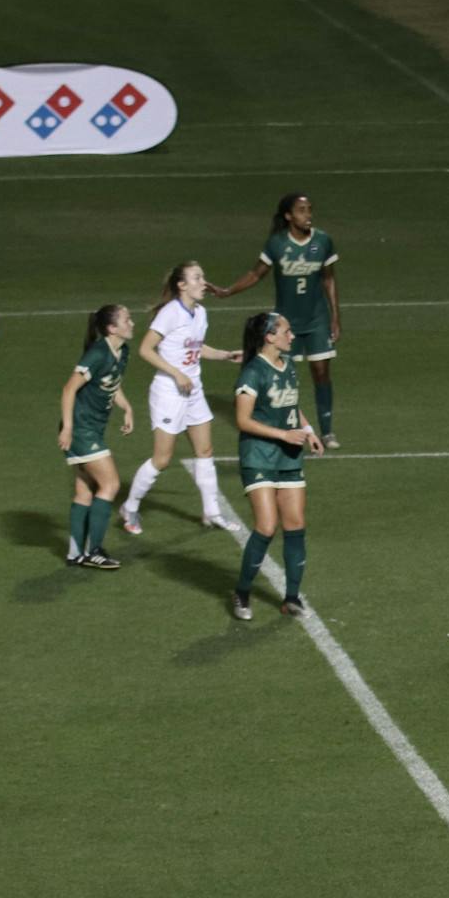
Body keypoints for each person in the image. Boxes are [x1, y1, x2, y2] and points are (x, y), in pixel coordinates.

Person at [120, 262, 243, 536]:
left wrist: (225, 355)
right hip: (169, 391)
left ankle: (212, 512)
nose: (204, 282)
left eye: (203, 276)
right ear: (182, 285)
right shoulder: (170, 313)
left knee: (205, 451)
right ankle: (129, 507)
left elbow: (196, 348)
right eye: (197, 278)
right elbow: (145, 349)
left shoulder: (200, 313)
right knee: (162, 459)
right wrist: (176, 374)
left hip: (193, 389)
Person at [217, 193, 342, 447]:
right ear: (288, 216)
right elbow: (256, 273)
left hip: (317, 318)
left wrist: (335, 317)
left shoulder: (322, 241)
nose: (308, 215)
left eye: (309, 209)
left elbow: (328, 279)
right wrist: (229, 291)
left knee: (321, 372)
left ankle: (327, 431)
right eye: (301, 210)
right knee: (286, 375)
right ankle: (287, 426)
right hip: (287, 324)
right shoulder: (276, 244)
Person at [231, 312, 325, 621]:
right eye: (286, 330)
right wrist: (283, 434)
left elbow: (291, 406)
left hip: (288, 456)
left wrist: (309, 432)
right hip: (258, 455)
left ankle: (292, 597)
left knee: (295, 524)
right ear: (270, 337)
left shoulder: (289, 367)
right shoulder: (253, 373)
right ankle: (242, 592)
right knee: (267, 526)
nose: (292, 335)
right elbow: (243, 420)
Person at [58, 305, 137, 569]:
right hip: (81, 428)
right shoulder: (97, 353)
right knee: (111, 485)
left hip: (91, 427)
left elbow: (111, 382)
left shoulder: (121, 351)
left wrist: (126, 407)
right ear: (112, 328)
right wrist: (68, 428)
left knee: (84, 490)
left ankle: (75, 553)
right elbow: (69, 389)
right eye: (127, 320)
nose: (132, 323)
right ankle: (94, 551)